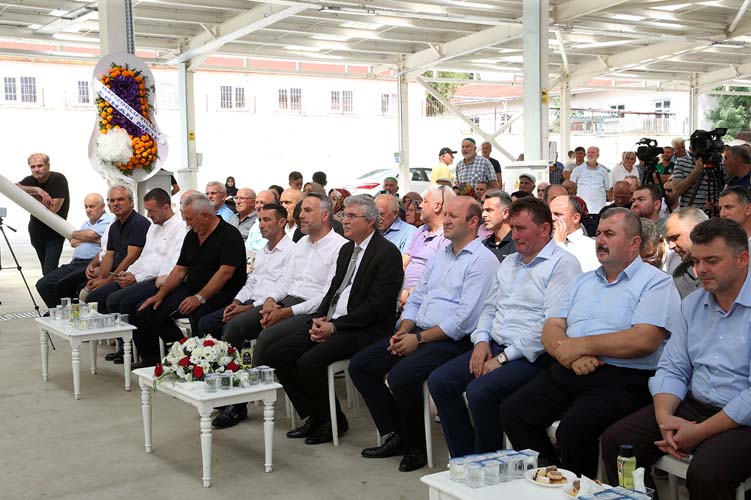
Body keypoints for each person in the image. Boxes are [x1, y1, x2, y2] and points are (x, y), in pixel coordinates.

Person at [500, 208, 680, 478]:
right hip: (571, 368)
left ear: (634, 243)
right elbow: (551, 327)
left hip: (624, 379)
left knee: (573, 429)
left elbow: (645, 339)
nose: (600, 240)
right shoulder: (582, 281)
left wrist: (582, 346)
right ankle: (554, 480)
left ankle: (578, 489)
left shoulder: (656, 283)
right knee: (513, 412)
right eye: (598, 234)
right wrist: (571, 356)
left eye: (609, 234)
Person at [601, 218, 751, 500]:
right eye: (696, 261)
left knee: (707, 473)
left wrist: (699, 433)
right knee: (618, 441)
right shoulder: (693, 304)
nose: (700, 270)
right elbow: (672, 368)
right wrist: (665, 420)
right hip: (697, 404)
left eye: (712, 260)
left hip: (743, 419)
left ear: (742, 259)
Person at [349, 197, 499, 472]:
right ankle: (397, 434)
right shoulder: (440, 255)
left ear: (473, 222)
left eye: (454, 216)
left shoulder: (483, 261)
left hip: (454, 341)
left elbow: (464, 320)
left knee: (401, 376)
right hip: (417, 330)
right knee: (361, 365)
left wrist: (417, 339)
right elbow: (417, 297)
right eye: (447, 215)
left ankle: (416, 447)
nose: (447, 220)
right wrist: (405, 329)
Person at [428, 198, 581, 457]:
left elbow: (549, 324)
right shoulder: (510, 262)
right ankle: (466, 457)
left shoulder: (563, 264)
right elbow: (489, 308)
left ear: (545, 229)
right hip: (496, 345)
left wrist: (502, 358)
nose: (515, 235)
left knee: (480, 391)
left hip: (533, 355)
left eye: (521, 229)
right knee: (441, 381)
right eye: (513, 228)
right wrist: (481, 342)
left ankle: (488, 463)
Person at [264, 195, 404, 444]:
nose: (345, 221)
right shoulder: (348, 249)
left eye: (351, 216)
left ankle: (332, 422)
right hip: (334, 321)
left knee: (309, 361)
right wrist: (320, 319)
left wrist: (334, 327)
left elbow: (377, 307)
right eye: (344, 215)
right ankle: (315, 416)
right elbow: (332, 291)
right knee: (277, 353)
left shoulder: (386, 253)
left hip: (364, 329)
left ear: (370, 221)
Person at [225, 193, 347, 367]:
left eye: (307, 210)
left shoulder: (340, 247)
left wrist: (287, 312)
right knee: (236, 326)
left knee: (267, 337)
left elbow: (327, 296)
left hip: (311, 310)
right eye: (301, 210)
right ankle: (231, 376)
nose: (301, 215)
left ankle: (258, 382)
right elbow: (286, 280)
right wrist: (270, 300)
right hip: (286, 301)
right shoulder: (302, 242)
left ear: (325, 215)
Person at [134, 193, 246, 367]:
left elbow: (225, 273)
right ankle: (181, 352)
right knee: (148, 310)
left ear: (206, 216)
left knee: (198, 315)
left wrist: (199, 298)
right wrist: (160, 295)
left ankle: (200, 361)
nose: (187, 224)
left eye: (190, 219)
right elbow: (180, 269)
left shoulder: (230, 235)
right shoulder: (192, 235)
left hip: (223, 292)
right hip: (191, 288)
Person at [197, 203, 294, 341]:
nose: (261, 225)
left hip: (267, 305)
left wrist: (248, 307)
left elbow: (282, 288)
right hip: (248, 301)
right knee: (205, 323)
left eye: (266, 220)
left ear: (281, 222)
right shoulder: (263, 250)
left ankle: (230, 354)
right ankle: (212, 353)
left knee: (229, 327)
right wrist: (236, 302)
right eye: (260, 220)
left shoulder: (292, 251)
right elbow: (252, 281)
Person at [85, 188, 186, 314]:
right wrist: (128, 273)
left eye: (151, 211)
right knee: (94, 297)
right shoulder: (153, 227)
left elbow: (166, 265)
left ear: (166, 207)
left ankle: (122, 327)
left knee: (118, 302)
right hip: (140, 275)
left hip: (155, 279)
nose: (148, 215)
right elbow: (143, 257)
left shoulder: (179, 228)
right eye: (147, 210)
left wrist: (136, 278)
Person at [36, 194, 113, 308]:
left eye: (92, 206)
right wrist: (93, 239)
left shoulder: (108, 221)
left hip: (90, 263)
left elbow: (90, 234)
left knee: (62, 284)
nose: (88, 210)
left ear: (102, 207)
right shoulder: (86, 223)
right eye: (86, 207)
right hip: (75, 263)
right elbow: (73, 242)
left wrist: (75, 234)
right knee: (43, 284)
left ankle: (68, 311)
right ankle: (60, 311)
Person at [82, 185, 150, 299]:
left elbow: (131, 258)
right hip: (115, 274)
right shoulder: (114, 226)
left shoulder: (139, 223)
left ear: (131, 202)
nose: (115, 203)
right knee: (83, 288)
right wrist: (100, 279)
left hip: (130, 276)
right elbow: (109, 256)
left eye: (120, 199)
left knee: (95, 297)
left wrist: (106, 282)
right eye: (112, 200)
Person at [401, 186, 455, 307]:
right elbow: (403, 263)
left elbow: (437, 279)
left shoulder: (448, 237)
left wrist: (407, 294)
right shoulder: (421, 230)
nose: (420, 206)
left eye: (425, 201)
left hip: (423, 302)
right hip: (402, 296)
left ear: (437, 206)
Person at [17, 153, 70, 274]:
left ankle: (62, 284)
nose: (36, 169)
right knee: (45, 271)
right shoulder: (30, 180)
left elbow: (54, 208)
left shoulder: (58, 179)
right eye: (33, 167)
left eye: (40, 166)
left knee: (50, 270)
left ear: (48, 166)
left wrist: (32, 196)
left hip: (54, 232)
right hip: (36, 232)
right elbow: (14, 187)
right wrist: (37, 190)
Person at [666, 207, 709, 298]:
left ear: (697, 230)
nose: (671, 246)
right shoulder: (677, 275)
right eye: (669, 240)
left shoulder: (726, 268)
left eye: (675, 237)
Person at [550, 195, 599, 272]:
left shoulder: (592, 248)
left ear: (575, 218)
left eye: (558, 214)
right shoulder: (542, 243)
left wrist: (559, 245)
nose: (552, 218)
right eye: (549, 214)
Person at [571, 146, 611, 214]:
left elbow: (608, 189)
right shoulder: (577, 170)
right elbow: (571, 187)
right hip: (582, 207)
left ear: (598, 155)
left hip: (599, 207)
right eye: (588, 152)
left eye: (593, 152)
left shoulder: (603, 171)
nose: (590, 154)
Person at [669, 137, 706, 209]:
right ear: (691, 148)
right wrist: (696, 171)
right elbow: (676, 191)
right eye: (678, 148)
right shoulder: (680, 162)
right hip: (689, 212)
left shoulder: (718, 163)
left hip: (714, 213)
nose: (682, 150)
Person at [480, 191, 515, 262]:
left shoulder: (519, 244)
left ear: (505, 213)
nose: (483, 215)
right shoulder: (483, 245)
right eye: (483, 210)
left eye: (489, 210)